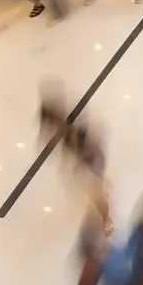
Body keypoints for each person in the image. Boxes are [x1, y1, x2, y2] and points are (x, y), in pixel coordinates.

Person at [38, 85, 114, 236]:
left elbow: (91, 139)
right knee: (92, 186)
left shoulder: (74, 124)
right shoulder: (64, 129)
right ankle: (103, 200)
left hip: (92, 157)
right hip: (85, 160)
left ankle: (106, 219)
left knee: (96, 192)